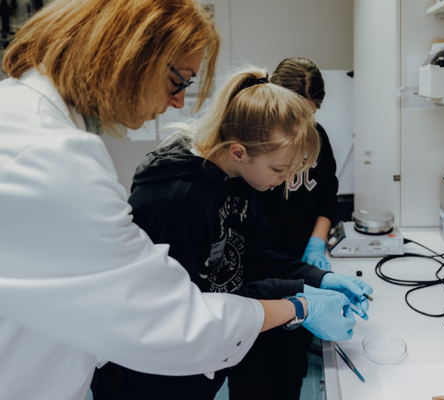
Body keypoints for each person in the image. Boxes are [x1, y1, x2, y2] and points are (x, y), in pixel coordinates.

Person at [0, 2, 352, 399]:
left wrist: (314, 279)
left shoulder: (33, 125)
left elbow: (246, 257)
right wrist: (299, 306)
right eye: (179, 81)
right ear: (129, 53)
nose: (179, 102)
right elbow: (172, 320)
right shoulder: (54, 157)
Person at [90, 67, 370, 399]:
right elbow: (190, 316)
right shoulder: (178, 201)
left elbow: (254, 254)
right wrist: (300, 304)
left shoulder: (236, 176)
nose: (283, 180)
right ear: (239, 151)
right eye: (279, 169)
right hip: (150, 376)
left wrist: (316, 278)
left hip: (197, 367)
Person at [228, 57, 345, 400]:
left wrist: (316, 246)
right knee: (253, 374)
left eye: (310, 117)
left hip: (298, 265)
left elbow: (327, 199)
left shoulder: (316, 139)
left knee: (291, 366)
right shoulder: (250, 156)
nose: (303, 128)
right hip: (254, 272)